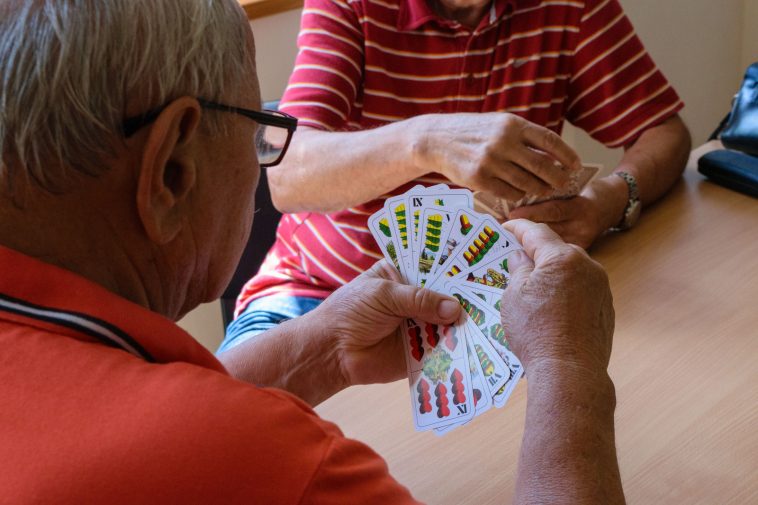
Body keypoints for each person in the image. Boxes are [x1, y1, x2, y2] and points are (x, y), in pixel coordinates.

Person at [0, 0, 624, 502]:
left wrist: (322, 348)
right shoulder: (276, 463)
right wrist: (567, 370)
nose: (262, 160)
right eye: (259, 134)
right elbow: (197, 443)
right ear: (172, 173)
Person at [222, 0, 691, 352]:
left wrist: (608, 200)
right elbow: (286, 175)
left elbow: (664, 132)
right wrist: (425, 140)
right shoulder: (352, 5)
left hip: (488, 306)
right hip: (318, 294)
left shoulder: (568, 7)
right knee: (223, 445)